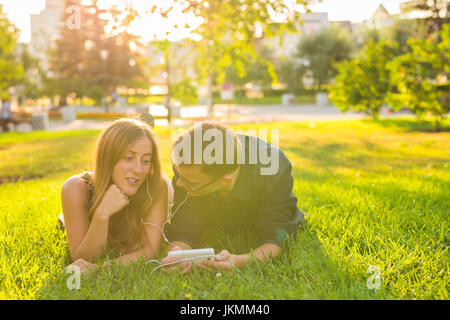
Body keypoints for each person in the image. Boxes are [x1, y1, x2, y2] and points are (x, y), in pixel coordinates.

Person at [160, 121, 306, 274]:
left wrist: (240, 261)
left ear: (225, 180)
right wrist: (177, 255)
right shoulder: (188, 166)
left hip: (257, 216)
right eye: (178, 174)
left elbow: (276, 238)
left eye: (190, 183)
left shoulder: (272, 169)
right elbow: (183, 228)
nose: (178, 183)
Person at [60, 114, 173, 273]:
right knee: (68, 223)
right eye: (128, 158)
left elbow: (150, 250)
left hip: (165, 195)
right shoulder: (76, 188)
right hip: (91, 201)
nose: (139, 169)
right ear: (108, 157)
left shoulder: (155, 185)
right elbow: (83, 258)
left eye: (146, 161)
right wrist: (102, 214)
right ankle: (65, 219)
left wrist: (100, 269)